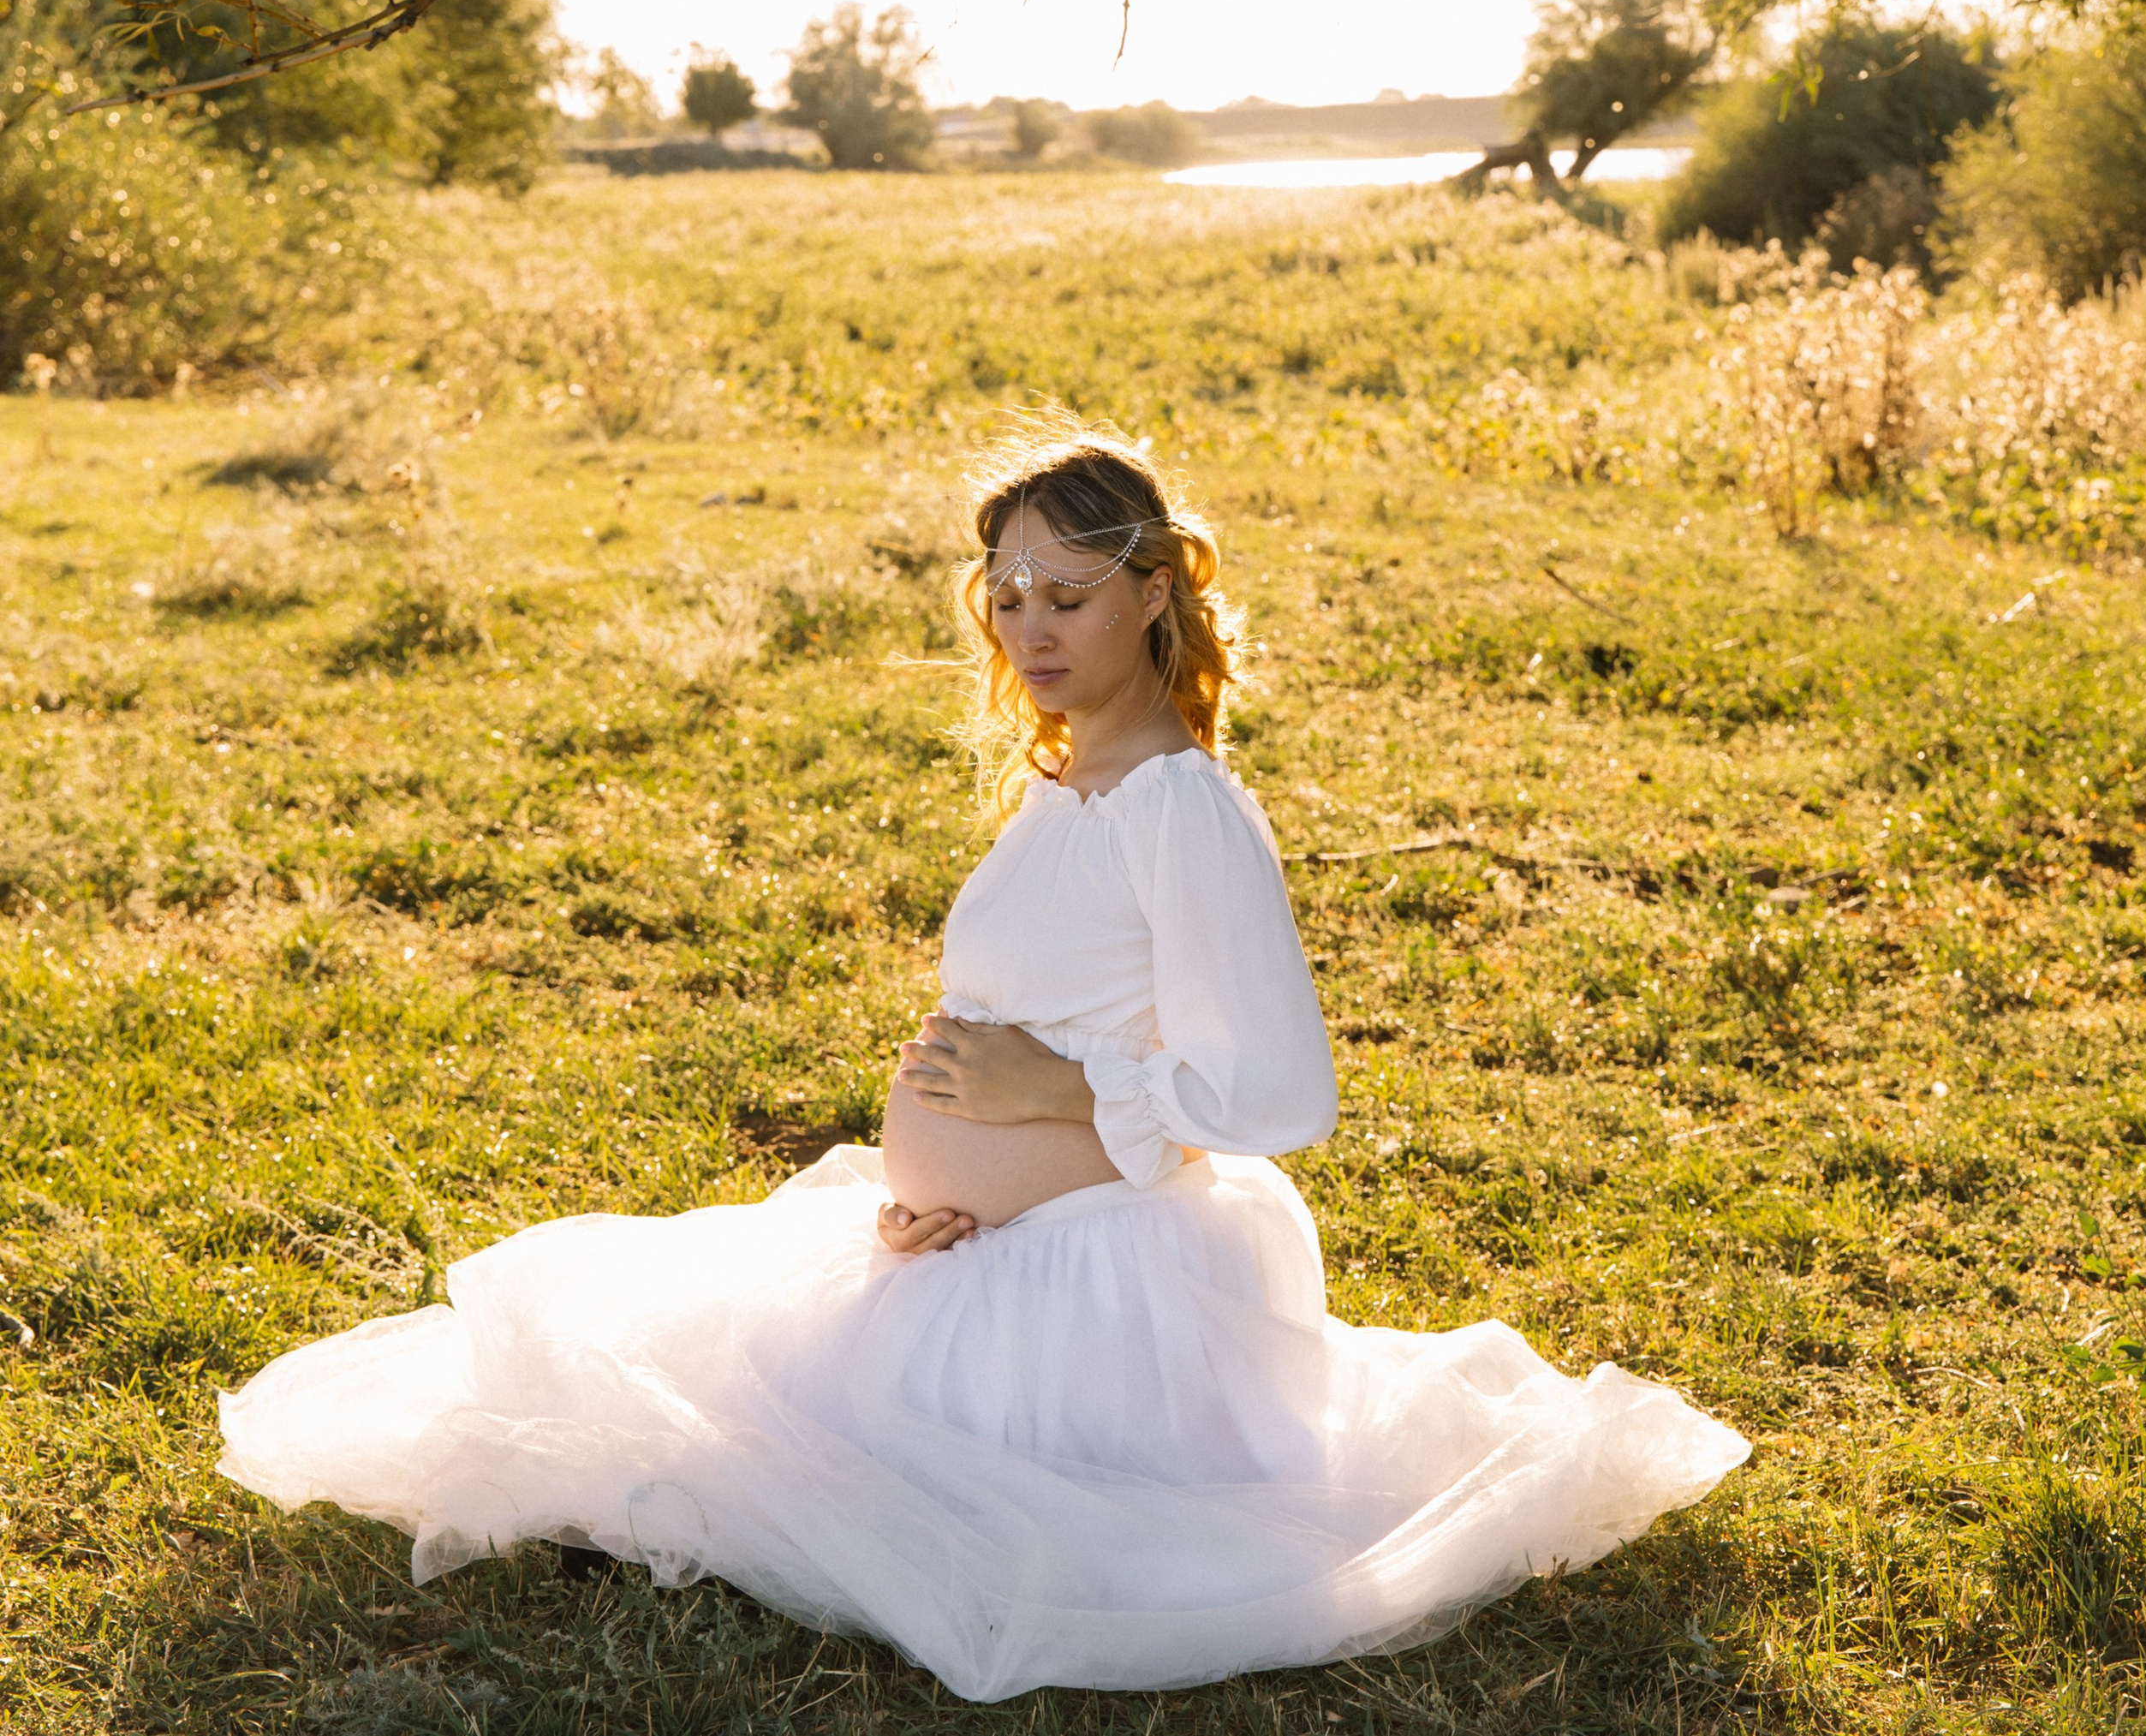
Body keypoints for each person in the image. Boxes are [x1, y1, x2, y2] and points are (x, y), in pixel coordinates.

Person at [219, 425, 1746, 1700]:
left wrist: (1048, 1099)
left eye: (1069, 594)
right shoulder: (1070, 778)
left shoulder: (1178, 805)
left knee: (771, 1455)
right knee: (651, 1385)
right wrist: (942, 1185)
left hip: (1102, 1292)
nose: (1031, 629)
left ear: (1155, 590)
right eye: (1007, 595)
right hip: (983, 1239)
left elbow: (1281, 1096)